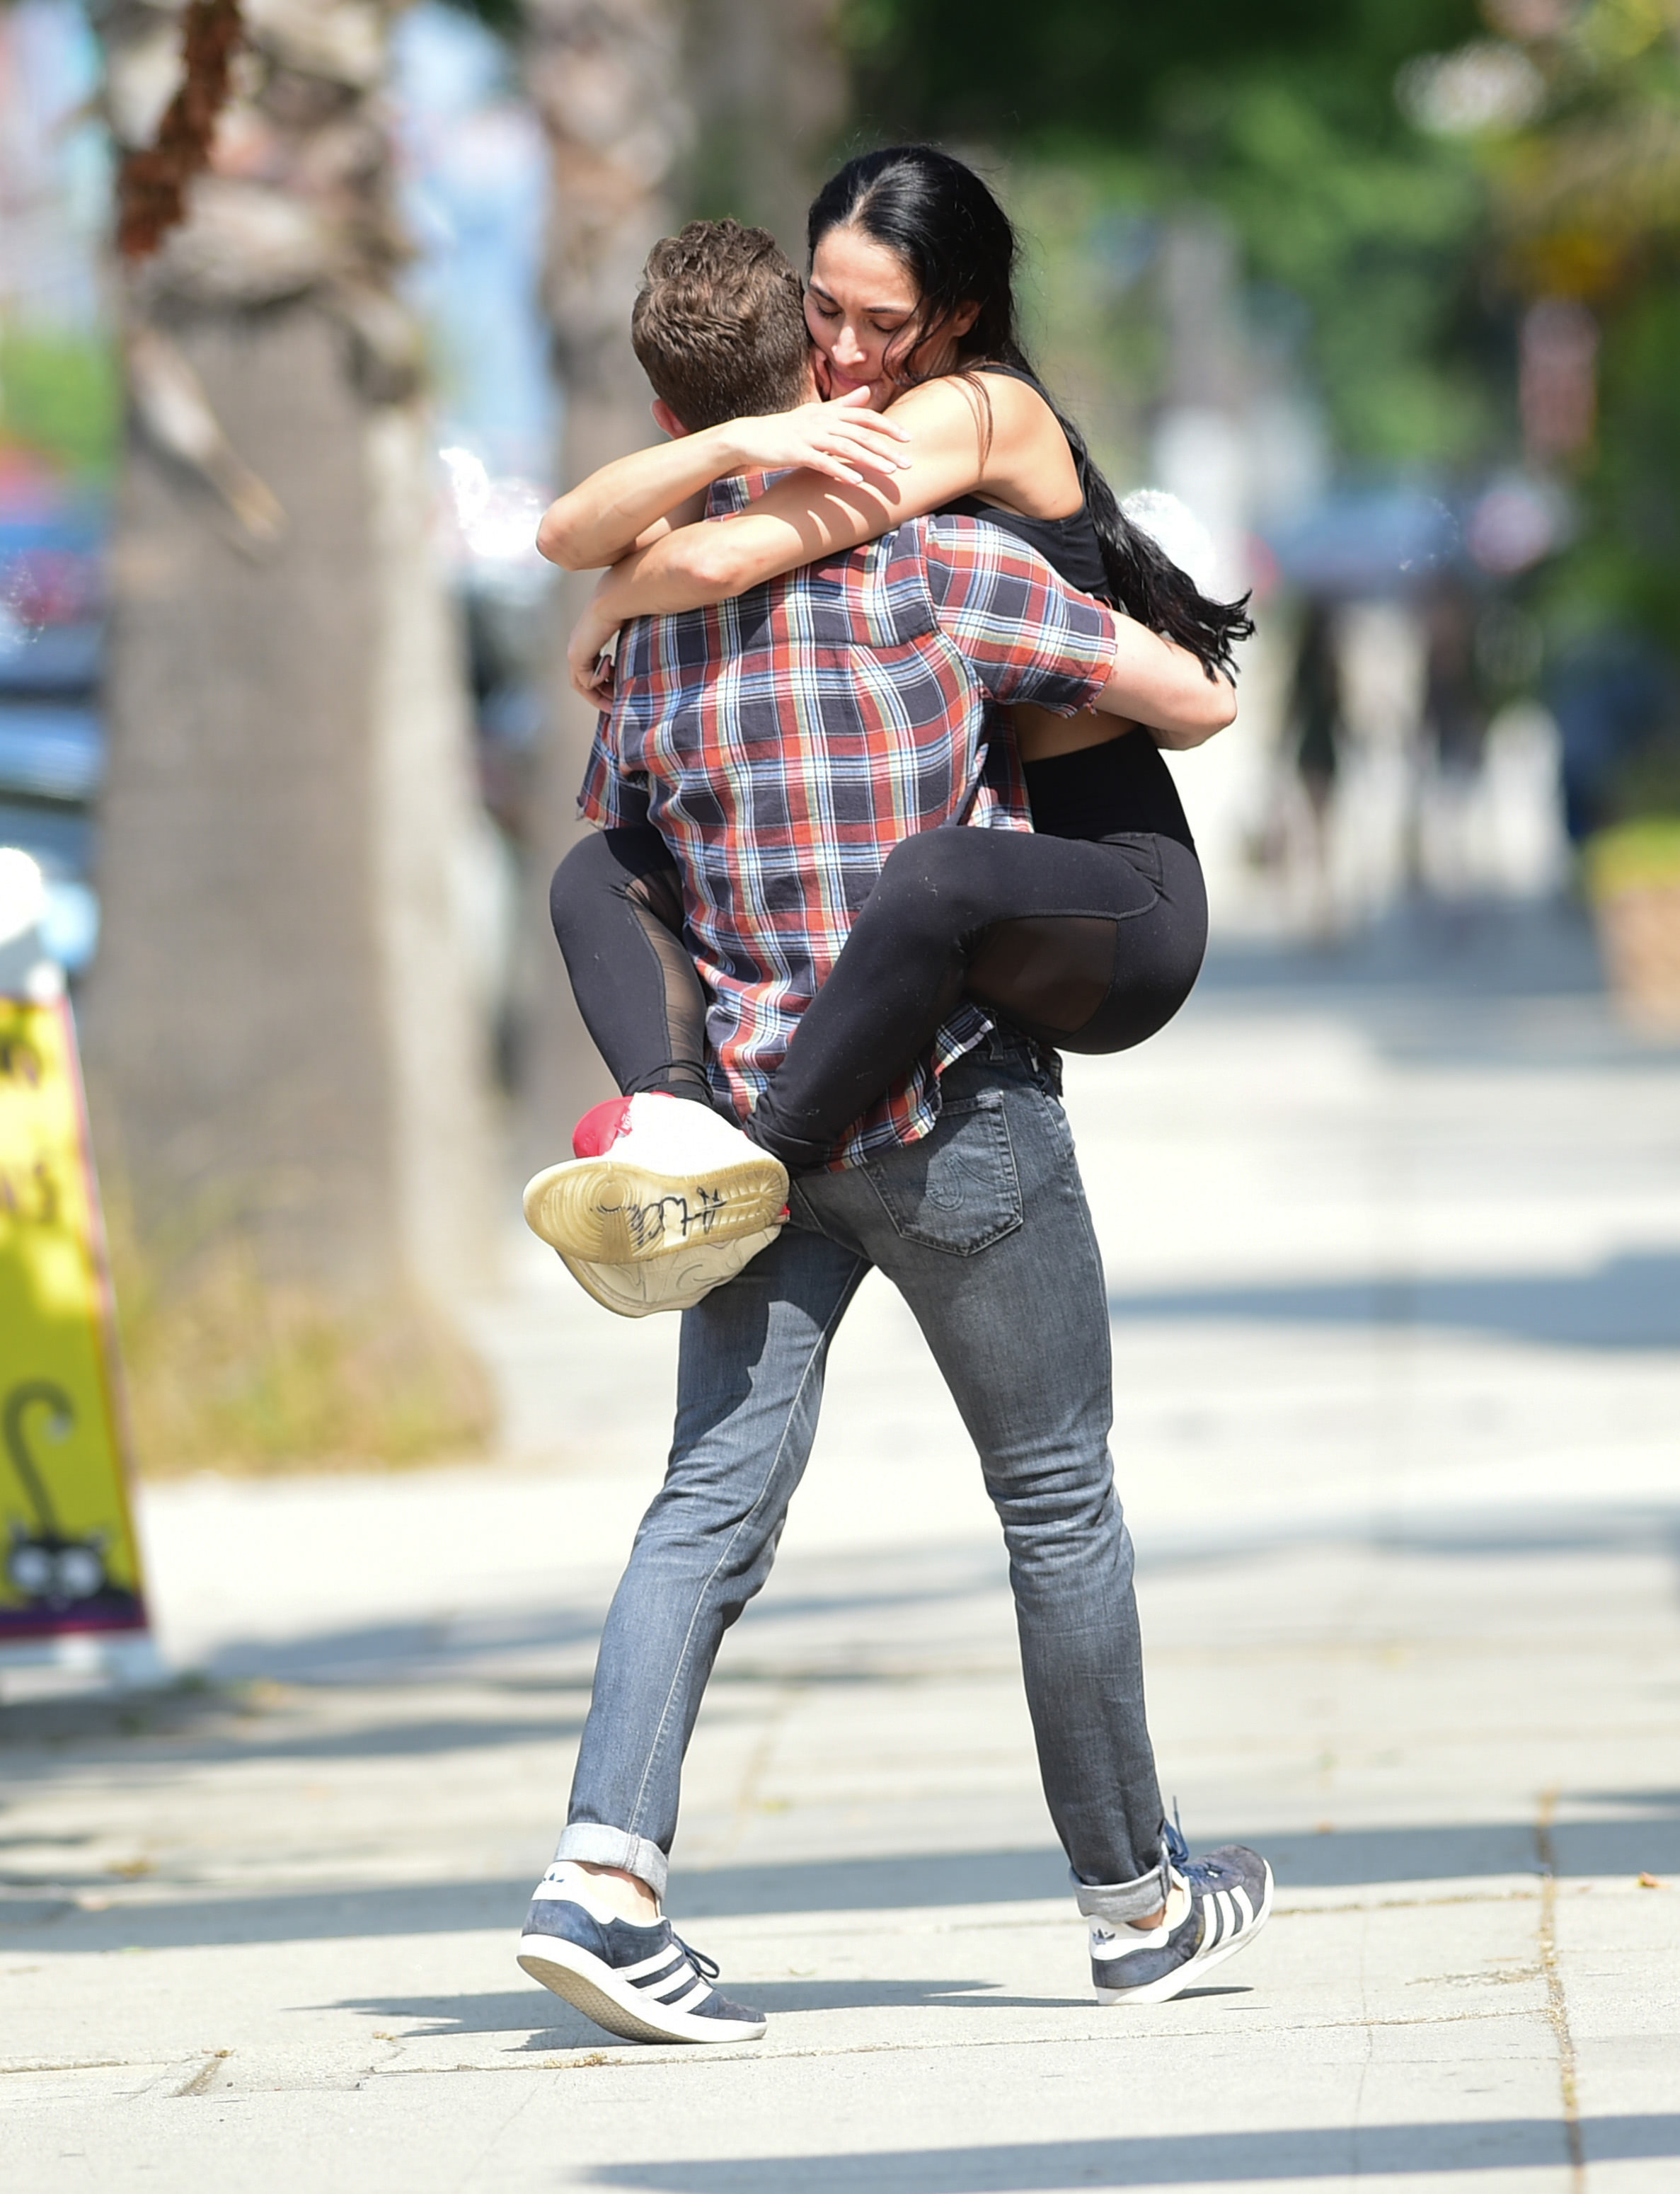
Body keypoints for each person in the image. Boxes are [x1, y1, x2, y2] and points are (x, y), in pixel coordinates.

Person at [513, 217, 1272, 2047]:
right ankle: (1133, 1901)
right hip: (944, 1111)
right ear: (819, 374)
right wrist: (1015, 710)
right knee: (1054, 1502)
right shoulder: (928, 570)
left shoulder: (648, 633)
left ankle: (601, 1878)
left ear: (660, 400)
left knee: (704, 1502)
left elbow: (622, 853)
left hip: (751, 1142)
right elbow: (1190, 694)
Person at [524, 150, 1252, 1293]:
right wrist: (730, 444)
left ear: (959, 315)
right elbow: (564, 531)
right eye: (824, 309)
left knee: (932, 874)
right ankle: (675, 1126)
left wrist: (613, 602)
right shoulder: (824, 428)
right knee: (601, 868)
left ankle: (759, 1166)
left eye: (884, 320)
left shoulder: (973, 408)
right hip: (979, 896)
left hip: (1107, 902)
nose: (845, 349)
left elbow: (722, 551)